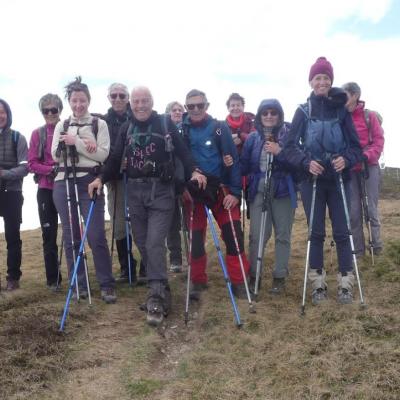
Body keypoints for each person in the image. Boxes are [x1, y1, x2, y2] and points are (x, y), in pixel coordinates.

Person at [88, 86, 205, 326]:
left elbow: (182, 150)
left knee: (153, 243)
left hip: (161, 192)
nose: (140, 105)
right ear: (131, 104)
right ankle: (162, 286)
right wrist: (101, 178)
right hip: (135, 193)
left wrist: (194, 170)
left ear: (152, 102)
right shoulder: (126, 128)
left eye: (145, 101)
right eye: (136, 101)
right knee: (143, 244)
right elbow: (115, 157)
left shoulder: (164, 124)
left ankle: (155, 297)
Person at [283, 57, 362, 305]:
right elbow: (289, 146)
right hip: (312, 180)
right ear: (310, 81)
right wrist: (306, 162)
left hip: (339, 179)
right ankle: (317, 281)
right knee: (315, 231)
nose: (322, 82)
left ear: (331, 82)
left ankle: (345, 281)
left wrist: (346, 160)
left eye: (326, 78)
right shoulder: (303, 110)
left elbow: (356, 147)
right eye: (318, 78)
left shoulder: (342, 111)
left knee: (342, 230)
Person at [51, 77, 116, 304]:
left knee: (96, 233)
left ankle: (107, 284)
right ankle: (79, 284)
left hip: (90, 181)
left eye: (82, 100)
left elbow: (103, 155)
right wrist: (85, 145)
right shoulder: (62, 124)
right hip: (63, 182)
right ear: (69, 101)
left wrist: (76, 142)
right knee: (71, 236)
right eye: (74, 100)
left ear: (89, 100)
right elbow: (55, 155)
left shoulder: (100, 124)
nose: (78, 105)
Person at [181, 89, 250, 300]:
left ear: (207, 105)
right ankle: (198, 280)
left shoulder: (219, 128)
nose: (195, 110)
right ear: (186, 108)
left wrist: (236, 192)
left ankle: (239, 281)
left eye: (199, 105)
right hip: (194, 192)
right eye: (190, 106)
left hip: (221, 189)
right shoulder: (180, 131)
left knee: (232, 234)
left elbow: (233, 160)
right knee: (195, 238)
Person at [241, 99, 297, 295]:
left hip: (283, 190)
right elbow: (245, 166)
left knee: (283, 235)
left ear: (279, 115)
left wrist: (279, 152)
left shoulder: (289, 136)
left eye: (273, 112)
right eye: (265, 113)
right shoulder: (252, 138)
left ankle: (279, 276)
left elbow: (297, 163)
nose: (269, 116)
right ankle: (254, 275)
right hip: (259, 191)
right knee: (257, 235)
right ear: (259, 116)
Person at [100, 82, 141, 283]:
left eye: (122, 96)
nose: (118, 99)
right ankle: (127, 267)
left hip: (138, 178)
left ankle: (147, 266)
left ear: (128, 98)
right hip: (115, 179)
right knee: (118, 223)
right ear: (108, 97)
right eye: (114, 95)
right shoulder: (102, 122)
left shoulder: (138, 118)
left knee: (141, 220)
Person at [342, 82, 384, 257]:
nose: (342, 99)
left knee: (371, 208)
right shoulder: (341, 118)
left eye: (345, 95)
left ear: (355, 95)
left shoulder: (370, 116)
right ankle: (358, 251)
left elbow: (378, 141)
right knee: (353, 211)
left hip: (369, 167)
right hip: (351, 170)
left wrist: (367, 156)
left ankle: (376, 246)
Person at [28, 93, 63, 290]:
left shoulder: (67, 128)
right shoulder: (37, 134)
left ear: (60, 110)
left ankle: (78, 277)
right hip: (45, 189)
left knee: (72, 233)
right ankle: (53, 280)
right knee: (48, 235)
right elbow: (32, 163)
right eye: (45, 110)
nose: (49, 113)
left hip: (65, 185)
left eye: (53, 109)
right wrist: (51, 170)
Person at [0, 99, 28, 291]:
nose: (0, 116)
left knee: (12, 236)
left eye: (2, 112)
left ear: (8, 115)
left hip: (13, 193)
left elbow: (25, 168)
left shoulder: (19, 138)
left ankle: (13, 277)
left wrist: (4, 174)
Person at [164, 101, 185, 273]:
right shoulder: (164, 130)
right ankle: (175, 258)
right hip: (170, 181)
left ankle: (193, 255)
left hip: (186, 180)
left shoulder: (189, 129)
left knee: (189, 221)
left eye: (180, 110)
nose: (178, 112)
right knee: (172, 222)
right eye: (174, 110)